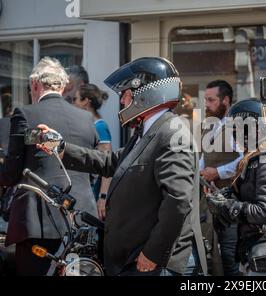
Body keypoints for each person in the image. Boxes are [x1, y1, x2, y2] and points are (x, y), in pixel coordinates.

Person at [37, 57, 207, 276]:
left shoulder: (171, 133)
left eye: (126, 93)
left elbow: (178, 201)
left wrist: (153, 253)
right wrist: (60, 147)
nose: (122, 101)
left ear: (147, 93)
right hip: (133, 259)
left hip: (154, 263)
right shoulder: (148, 131)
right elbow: (109, 162)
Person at [0, 57, 99, 276]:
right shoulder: (86, 118)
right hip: (81, 219)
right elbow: (92, 170)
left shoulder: (25, 114)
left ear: (34, 85)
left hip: (37, 221)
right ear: (64, 86)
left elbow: (10, 173)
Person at [207, 98, 266, 276]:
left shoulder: (265, 159)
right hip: (260, 252)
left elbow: (265, 212)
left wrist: (227, 207)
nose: (233, 135)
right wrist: (227, 197)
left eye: (235, 129)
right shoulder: (258, 158)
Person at [200, 80, 243, 276]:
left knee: (229, 258)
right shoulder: (210, 125)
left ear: (226, 100)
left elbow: (245, 159)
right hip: (211, 201)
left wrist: (218, 172)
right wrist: (200, 171)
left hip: (231, 201)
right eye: (205, 100)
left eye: (211, 100)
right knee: (212, 256)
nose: (206, 104)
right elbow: (204, 156)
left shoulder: (238, 125)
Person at [72, 83, 112, 220]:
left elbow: (107, 164)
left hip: (93, 193)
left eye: (75, 99)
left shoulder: (100, 126)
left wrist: (102, 198)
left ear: (86, 102)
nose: (73, 103)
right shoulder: (86, 125)